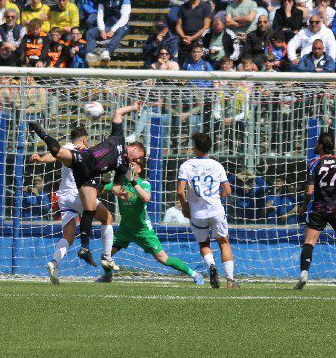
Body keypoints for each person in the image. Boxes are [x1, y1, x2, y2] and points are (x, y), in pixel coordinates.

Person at [28, 104, 146, 267]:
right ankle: (105, 256)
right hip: (83, 168)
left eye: (140, 161)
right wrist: (133, 107)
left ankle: (63, 259)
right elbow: (117, 111)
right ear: (133, 148)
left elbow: (117, 188)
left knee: (76, 226)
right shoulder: (118, 137)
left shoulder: (123, 167)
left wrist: (122, 191)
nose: (138, 161)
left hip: (76, 182)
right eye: (139, 156)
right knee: (103, 216)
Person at [29, 125, 117, 283]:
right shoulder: (83, 149)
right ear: (84, 138)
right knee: (108, 218)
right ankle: (107, 257)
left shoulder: (66, 148)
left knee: (68, 236)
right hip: (79, 194)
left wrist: (40, 159)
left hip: (64, 197)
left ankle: (54, 262)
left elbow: (53, 155)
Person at [99, 160, 205, 284]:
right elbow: (101, 191)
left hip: (143, 230)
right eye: (128, 165)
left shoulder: (143, 183)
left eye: (132, 165)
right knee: (106, 255)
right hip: (125, 229)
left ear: (139, 170)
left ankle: (195, 274)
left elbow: (146, 198)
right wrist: (104, 180)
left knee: (163, 259)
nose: (128, 167)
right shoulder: (120, 183)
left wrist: (133, 182)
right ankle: (107, 276)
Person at [295, 131, 336, 290]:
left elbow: (309, 191)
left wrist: (304, 206)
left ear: (322, 146)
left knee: (309, 242)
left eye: (317, 143)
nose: (315, 145)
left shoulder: (314, 164)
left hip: (319, 208)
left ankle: (304, 274)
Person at [176, 132, 237, 289]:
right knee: (224, 242)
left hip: (197, 213)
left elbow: (180, 191)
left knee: (204, 243)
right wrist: (218, 196)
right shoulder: (217, 165)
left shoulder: (186, 165)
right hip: (216, 210)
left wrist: (185, 206)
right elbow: (228, 191)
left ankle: (211, 265)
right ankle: (230, 279)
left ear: (195, 148)